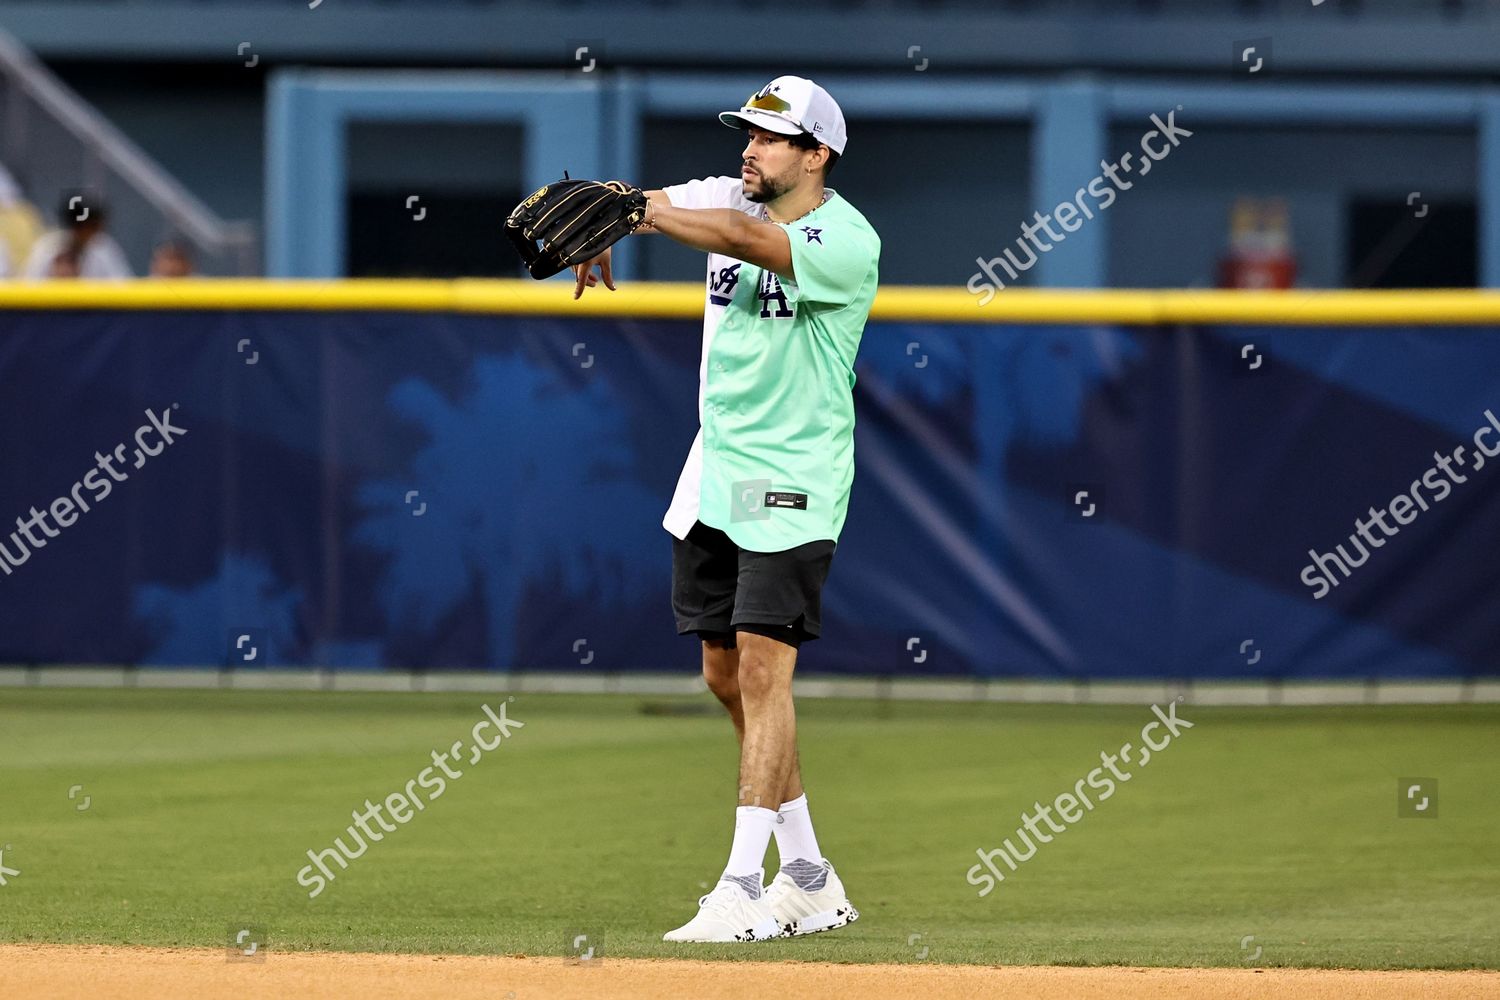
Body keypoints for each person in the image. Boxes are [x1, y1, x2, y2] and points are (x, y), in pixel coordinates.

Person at [573, 75, 881, 943]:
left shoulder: (846, 237)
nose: (750, 148)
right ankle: (812, 877)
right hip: (716, 468)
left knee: (761, 669)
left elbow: (741, 238)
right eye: (747, 132)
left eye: (771, 137)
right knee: (720, 673)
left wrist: (641, 212)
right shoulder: (726, 194)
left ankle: (743, 886)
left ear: (817, 155)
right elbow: (678, 206)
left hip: (794, 476)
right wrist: (622, 218)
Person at [23, 190, 132, 279]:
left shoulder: (104, 247)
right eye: (89, 224)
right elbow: (28, 289)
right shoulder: (46, 248)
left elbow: (123, 287)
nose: (96, 230)